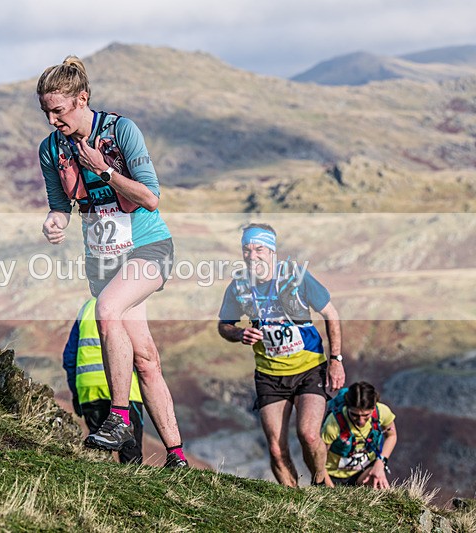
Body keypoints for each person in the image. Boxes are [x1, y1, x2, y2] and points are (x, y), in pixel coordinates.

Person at [37, 56, 187, 468]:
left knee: (107, 310)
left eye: (59, 110)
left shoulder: (121, 131)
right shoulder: (51, 149)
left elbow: (151, 197)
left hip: (148, 246)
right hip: (103, 258)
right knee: (145, 359)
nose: (52, 120)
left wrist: (104, 170)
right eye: (46, 112)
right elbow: (58, 206)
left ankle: (119, 415)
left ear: (81, 99)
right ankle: (176, 456)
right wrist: (53, 224)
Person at [217, 223, 345, 486]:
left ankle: (322, 485)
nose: (252, 256)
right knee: (276, 449)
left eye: (259, 249)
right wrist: (239, 334)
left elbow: (331, 314)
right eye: (247, 249)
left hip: (309, 367)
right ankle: (293, 506)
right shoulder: (239, 285)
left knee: (309, 435)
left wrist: (336, 360)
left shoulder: (296, 277)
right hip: (269, 374)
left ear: (272, 251)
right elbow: (224, 325)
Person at [63, 297, 144, 464]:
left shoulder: (86, 309)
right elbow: (141, 354)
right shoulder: (125, 304)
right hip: (126, 390)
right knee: (131, 452)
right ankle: (134, 488)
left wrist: (76, 394)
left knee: (99, 453)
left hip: (89, 388)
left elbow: (69, 357)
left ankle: (97, 489)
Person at [321, 382, 398, 489]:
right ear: (347, 407)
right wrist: (329, 486)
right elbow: (318, 457)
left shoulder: (382, 412)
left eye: (366, 415)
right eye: (355, 415)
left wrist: (380, 463)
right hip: (333, 474)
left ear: (374, 407)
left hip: (365, 469)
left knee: (378, 483)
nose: (361, 421)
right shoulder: (333, 423)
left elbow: (391, 436)